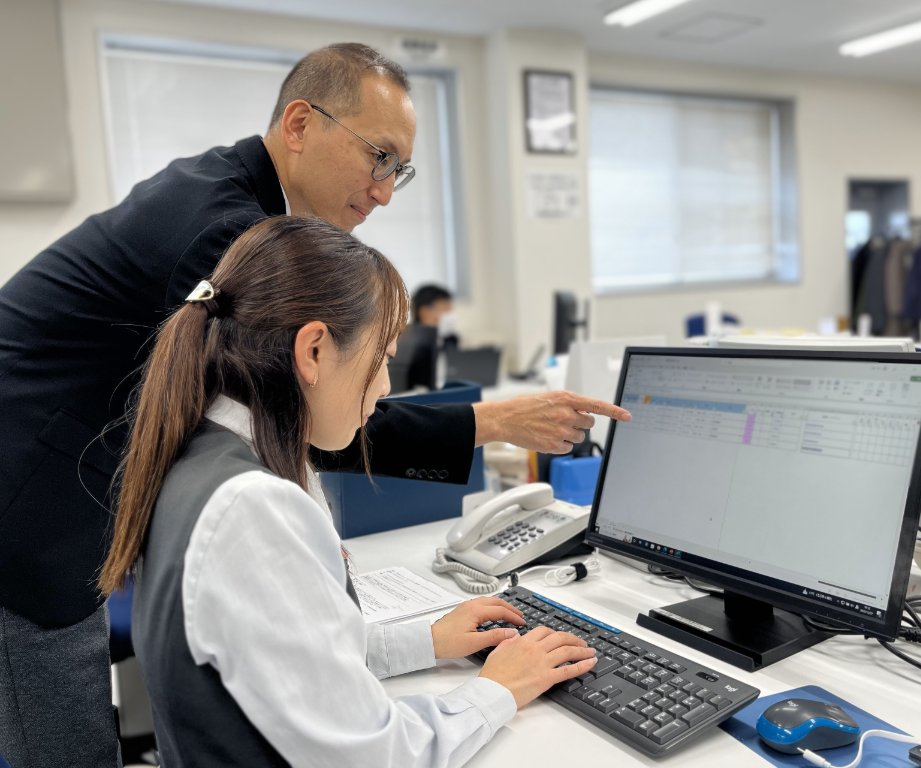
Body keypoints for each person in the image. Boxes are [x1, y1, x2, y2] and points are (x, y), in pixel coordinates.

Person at [0, 42, 628, 765]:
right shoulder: (224, 232)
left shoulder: (230, 203)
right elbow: (315, 408)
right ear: (300, 124)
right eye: (379, 157)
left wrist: (410, 634)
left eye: (400, 170)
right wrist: (494, 424)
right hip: (30, 499)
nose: (385, 192)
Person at [100, 215, 597, 767]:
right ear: (313, 350)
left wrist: (426, 640)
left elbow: (293, 664)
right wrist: (499, 689)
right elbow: (376, 756)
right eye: (382, 359)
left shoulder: (201, 449)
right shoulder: (252, 508)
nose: (384, 387)